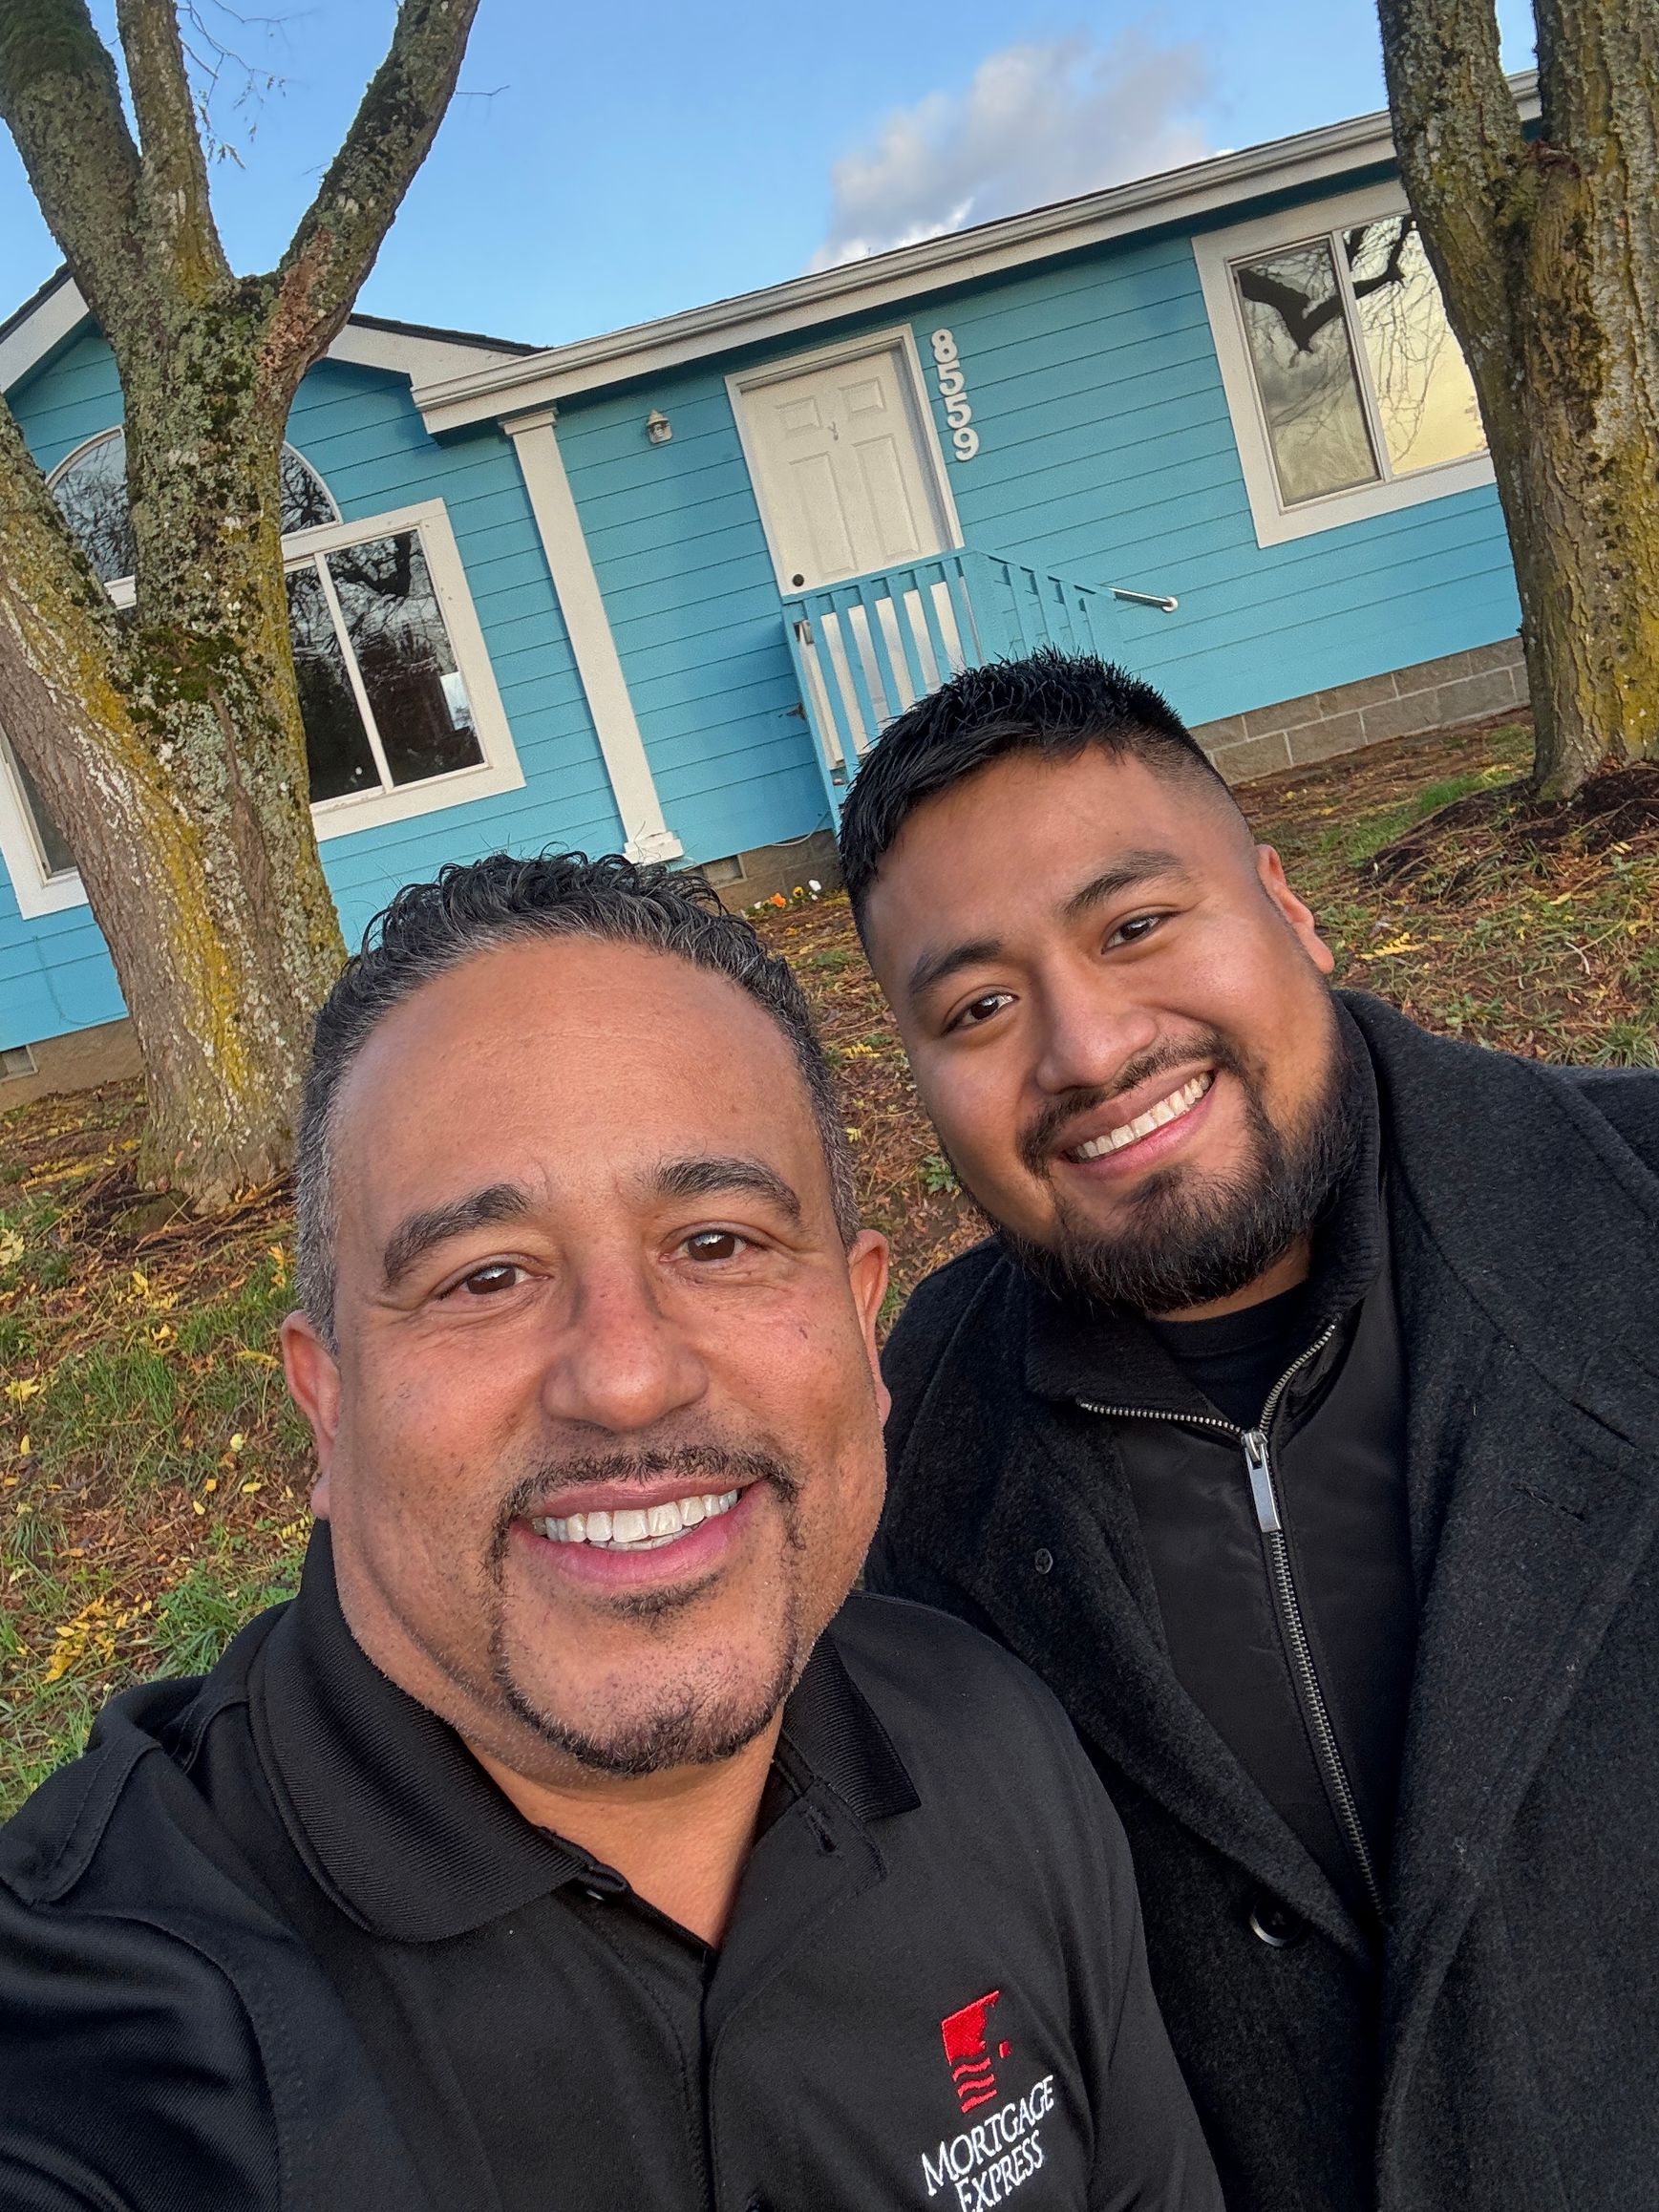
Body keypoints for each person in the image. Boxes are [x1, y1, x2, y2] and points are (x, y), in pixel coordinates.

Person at [0, 853, 1220, 2212]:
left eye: (717, 1242)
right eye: (487, 1276)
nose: (626, 1375)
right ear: (326, 1403)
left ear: (862, 1329)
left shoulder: (989, 1741)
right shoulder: (97, 2031)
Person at [840, 649, 1659, 2212]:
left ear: (1284, 906)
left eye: (1135, 925)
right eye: (979, 1005)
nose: (1083, 1050)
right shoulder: (903, 1465)